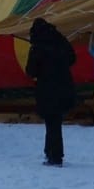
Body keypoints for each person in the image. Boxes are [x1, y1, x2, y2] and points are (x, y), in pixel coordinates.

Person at [24, 17, 77, 166]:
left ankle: (54, 155)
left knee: (51, 123)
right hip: (64, 85)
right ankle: (52, 152)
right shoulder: (60, 41)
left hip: (47, 88)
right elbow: (72, 58)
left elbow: (31, 71)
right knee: (55, 122)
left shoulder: (37, 47)